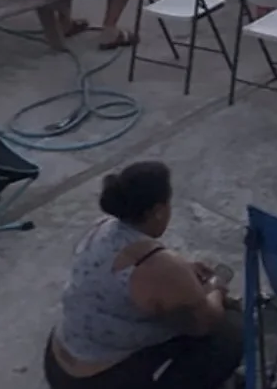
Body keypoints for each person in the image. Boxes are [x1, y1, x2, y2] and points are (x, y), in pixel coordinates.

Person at [44, 161, 242, 389]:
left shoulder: (103, 228)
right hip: (96, 381)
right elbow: (204, 323)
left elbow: (134, 275)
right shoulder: (158, 267)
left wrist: (183, 271)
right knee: (229, 330)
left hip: (61, 361)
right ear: (158, 211)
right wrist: (216, 287)